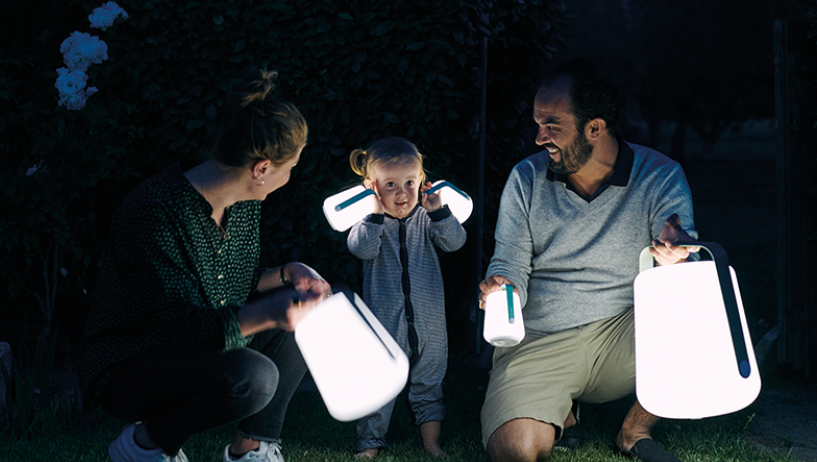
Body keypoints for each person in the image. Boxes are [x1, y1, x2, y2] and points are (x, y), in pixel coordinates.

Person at [78, 68, 331, 462]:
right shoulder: (156, 212)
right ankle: (144, 445)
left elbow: (230, 284)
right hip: (132, 362)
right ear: (262, 169)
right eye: (290, 167)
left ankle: (251, 449)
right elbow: (184, 325)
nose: (290, 175)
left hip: (195, 344)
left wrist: (286, 274)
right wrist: (269, 313)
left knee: (308, 315)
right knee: (256, 376)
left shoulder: (243, 203)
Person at [478, 59, 699, 462]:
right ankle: (560, 410)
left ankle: (634, 431)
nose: (539, 138)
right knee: (513, 450)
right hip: (542, 339)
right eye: (537, 124)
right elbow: (509, 261)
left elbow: (679, 248)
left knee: (703, 298)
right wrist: (502, 285)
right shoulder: (525, 179)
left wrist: (676, 257)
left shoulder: (660, 176)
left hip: (625, 335)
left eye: (551, 125)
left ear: (594, 128)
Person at [346, 137, 467, 459]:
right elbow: (361, 249)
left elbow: (455, 242)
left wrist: (440, 212)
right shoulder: (368, 223)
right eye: (390, 185)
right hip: (384, 325)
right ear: (371, 187)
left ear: (422, 182)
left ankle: (431, 443)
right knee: (378, 384)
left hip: (429, 325)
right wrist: (373, 215)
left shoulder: (427, 218)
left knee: (429, 381)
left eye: (410, 183)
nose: (402, 193)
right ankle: (369, 444)